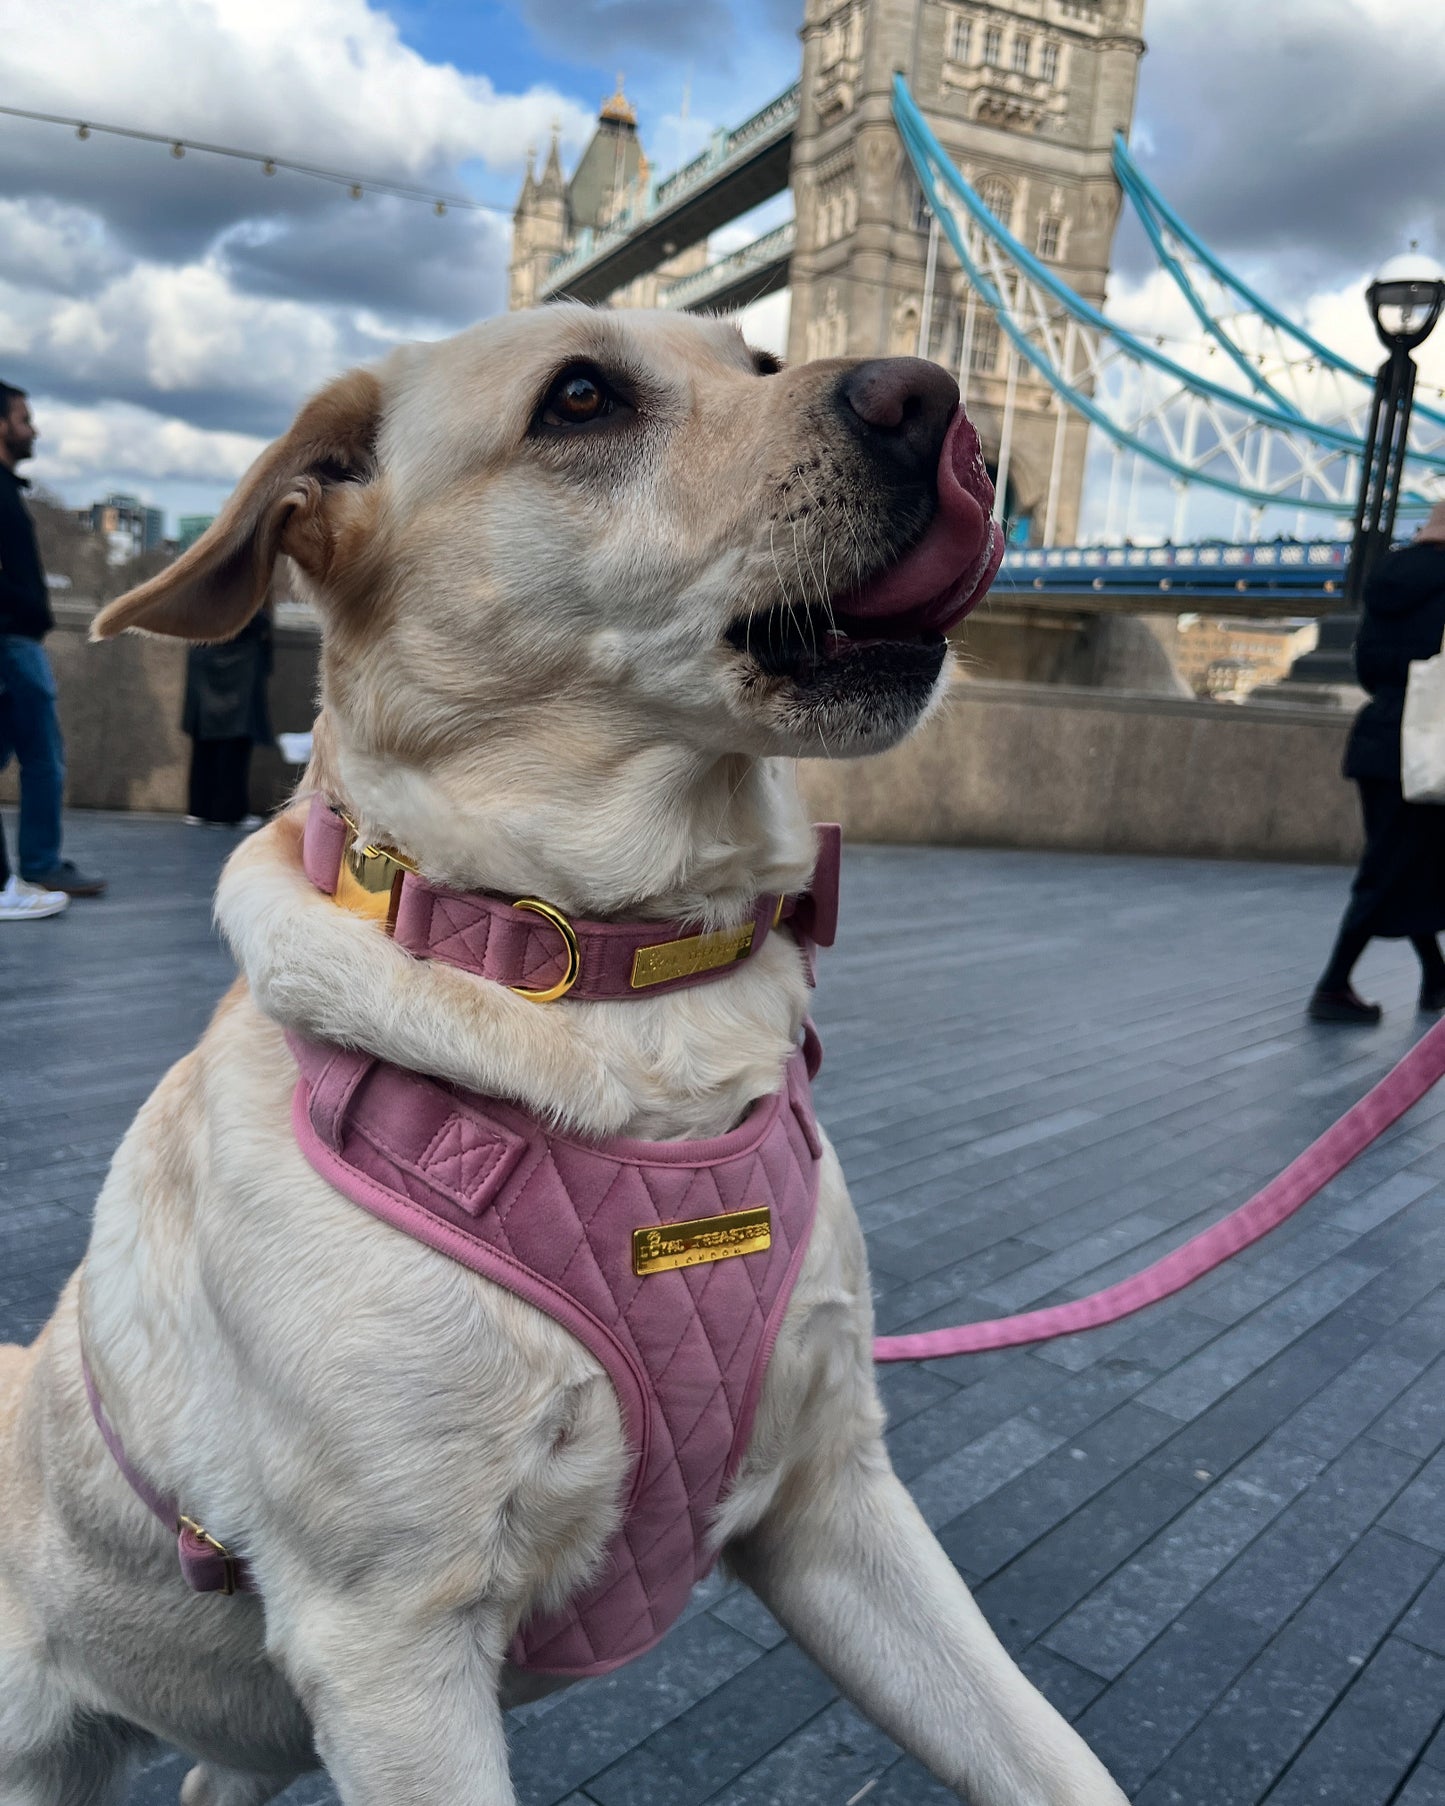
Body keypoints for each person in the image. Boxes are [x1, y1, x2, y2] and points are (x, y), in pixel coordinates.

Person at [1310, 501, 1445, 1022]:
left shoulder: (1387, 581)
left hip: (1377, 738)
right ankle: (1332, 985)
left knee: (1409, 860)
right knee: (1393, 866)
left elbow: (1366, 666)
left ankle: (1436, 976)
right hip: (1430, 745)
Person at [0, 379, 106, 920]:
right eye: (23, 418)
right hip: (11, 645)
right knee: (44, 758)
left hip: (16, 640)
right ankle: (36, 865)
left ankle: (36, 866)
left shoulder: (8, 489)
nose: (32, 428)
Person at [182, 606, 273, 828]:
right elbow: (252, 618)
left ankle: (199, 808)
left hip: (204, 660)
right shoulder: (243, 577)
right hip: (240, 664)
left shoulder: (201, 581)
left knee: (204, 738)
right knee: (234, 740)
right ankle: (227, 811)